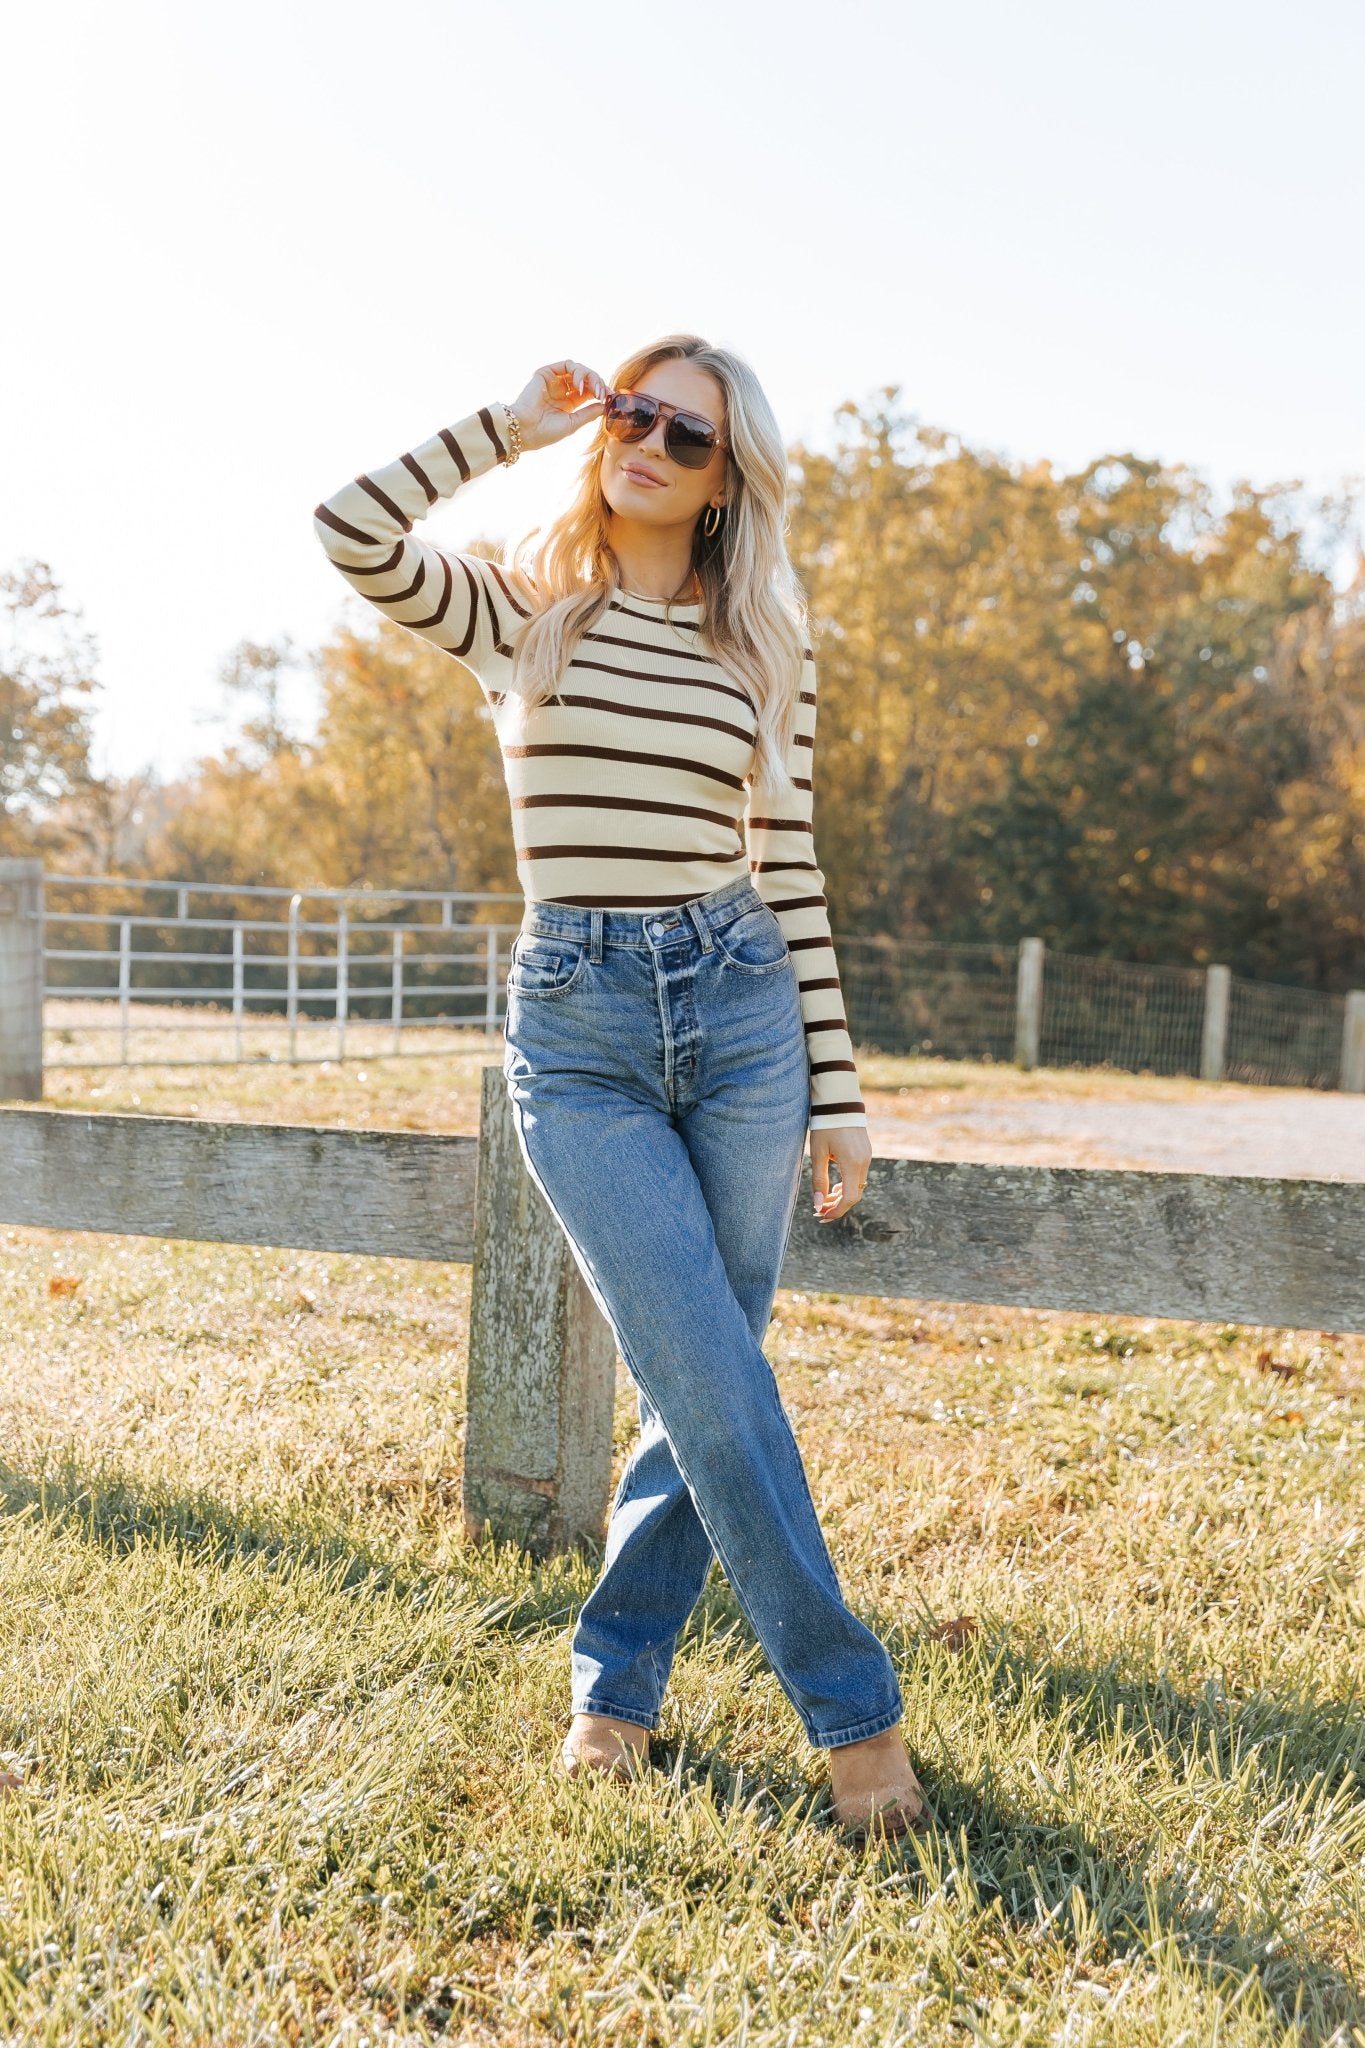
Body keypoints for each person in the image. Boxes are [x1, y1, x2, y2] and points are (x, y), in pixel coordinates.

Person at [314, 336, 926, 1837]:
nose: (646, 441)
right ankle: (852, 1711)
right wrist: (507, 428)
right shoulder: (524, 617)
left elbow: (788, 872)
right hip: (578, 1031)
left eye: (687, 435)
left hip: (740, 1015)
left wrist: (836, 1091)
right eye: (633, 416)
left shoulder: (764, 645)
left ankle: (615, 1686)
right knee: (709, 1382)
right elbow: (348, 530)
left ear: (729, 484)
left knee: (701, 1385)